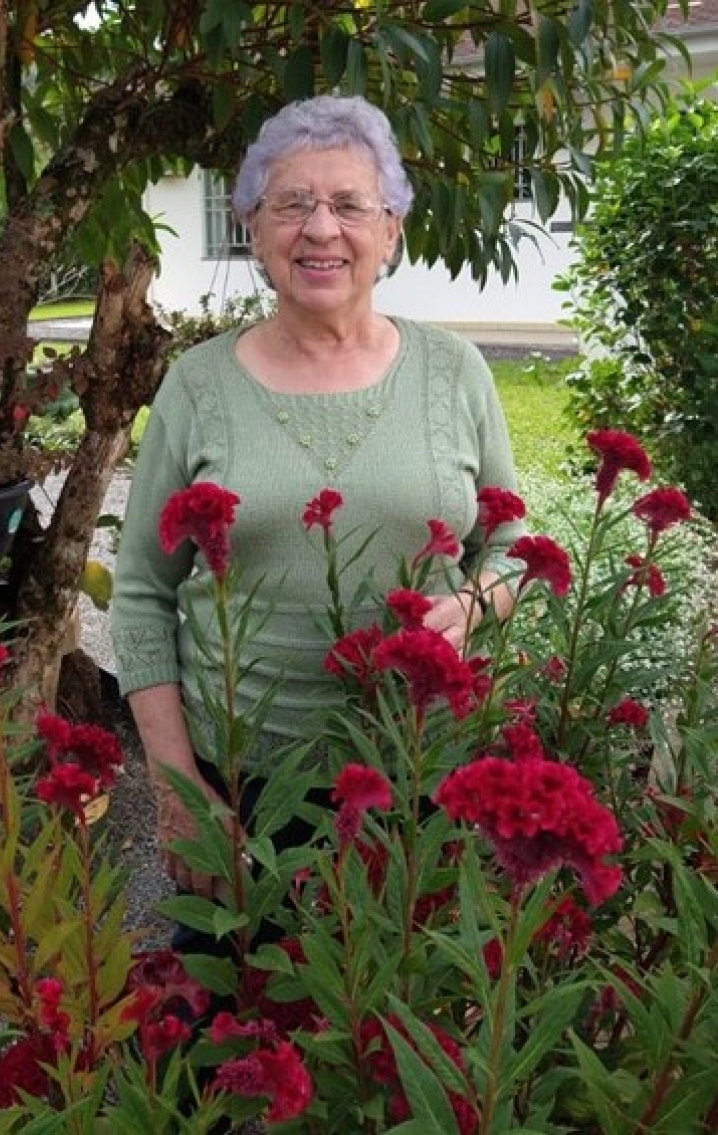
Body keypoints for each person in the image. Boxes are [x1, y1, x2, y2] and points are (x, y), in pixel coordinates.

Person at [112, 94, 526, 901]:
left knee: (414, 976)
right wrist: (178, 791)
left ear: (391, 230)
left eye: (349, 204)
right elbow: (139, 595)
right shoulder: (197, 387)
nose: (321, 229)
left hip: (424, 772)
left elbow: (510, 542)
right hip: (244, 787)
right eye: (292, 204)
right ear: (254, 229)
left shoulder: (454, 372)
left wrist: (478, 602)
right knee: (244, 980)